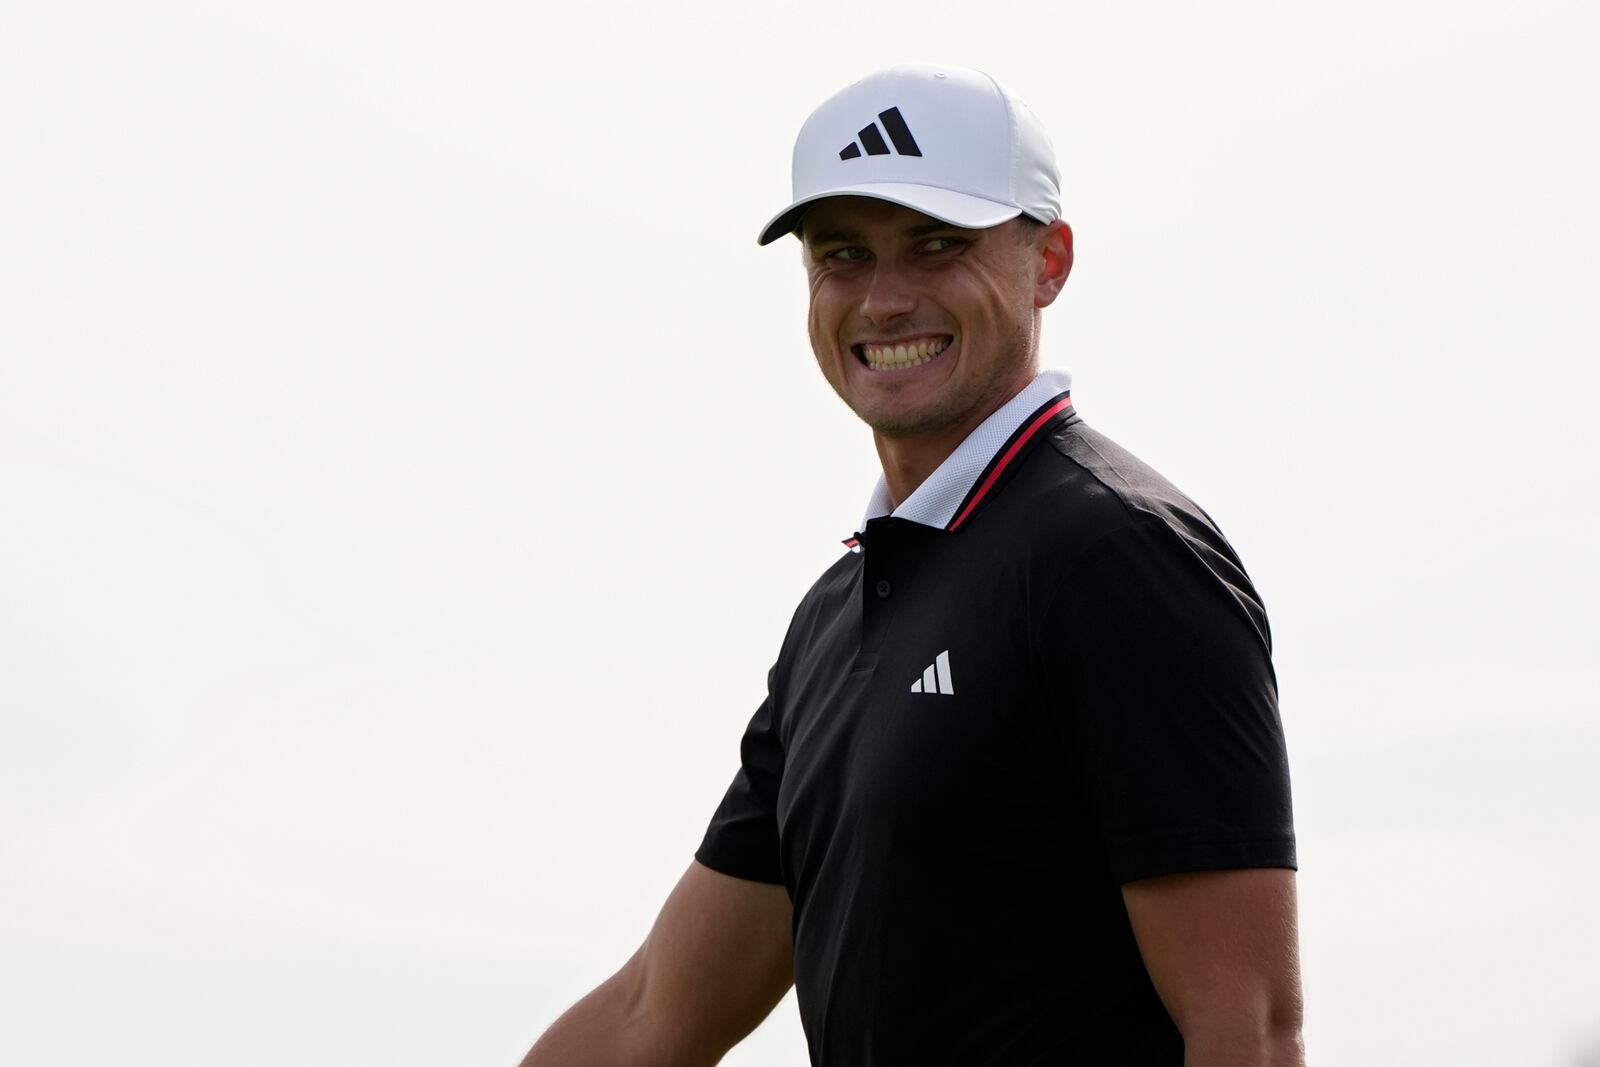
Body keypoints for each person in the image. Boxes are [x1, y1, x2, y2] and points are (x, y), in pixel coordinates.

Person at [521, 63, 1303, 1066]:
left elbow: (1249, 1032)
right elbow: (652, 1012)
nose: (885, 300)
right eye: (842, 254)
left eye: (936, 246)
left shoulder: (1120, 557)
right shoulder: (836, 615)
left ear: (1048, 260)